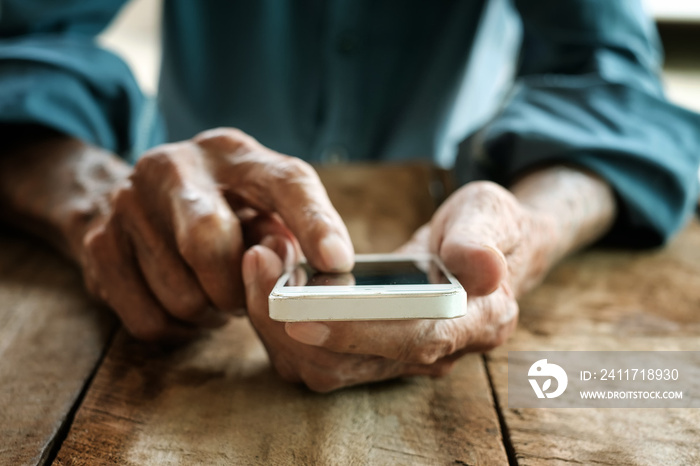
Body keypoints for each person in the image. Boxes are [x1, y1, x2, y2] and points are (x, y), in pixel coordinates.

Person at [0, 0, 698, 392]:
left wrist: (532, 225)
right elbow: (21, 36)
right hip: (197, 211)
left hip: (442, 200)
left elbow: (617, 85)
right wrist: (100, 196)